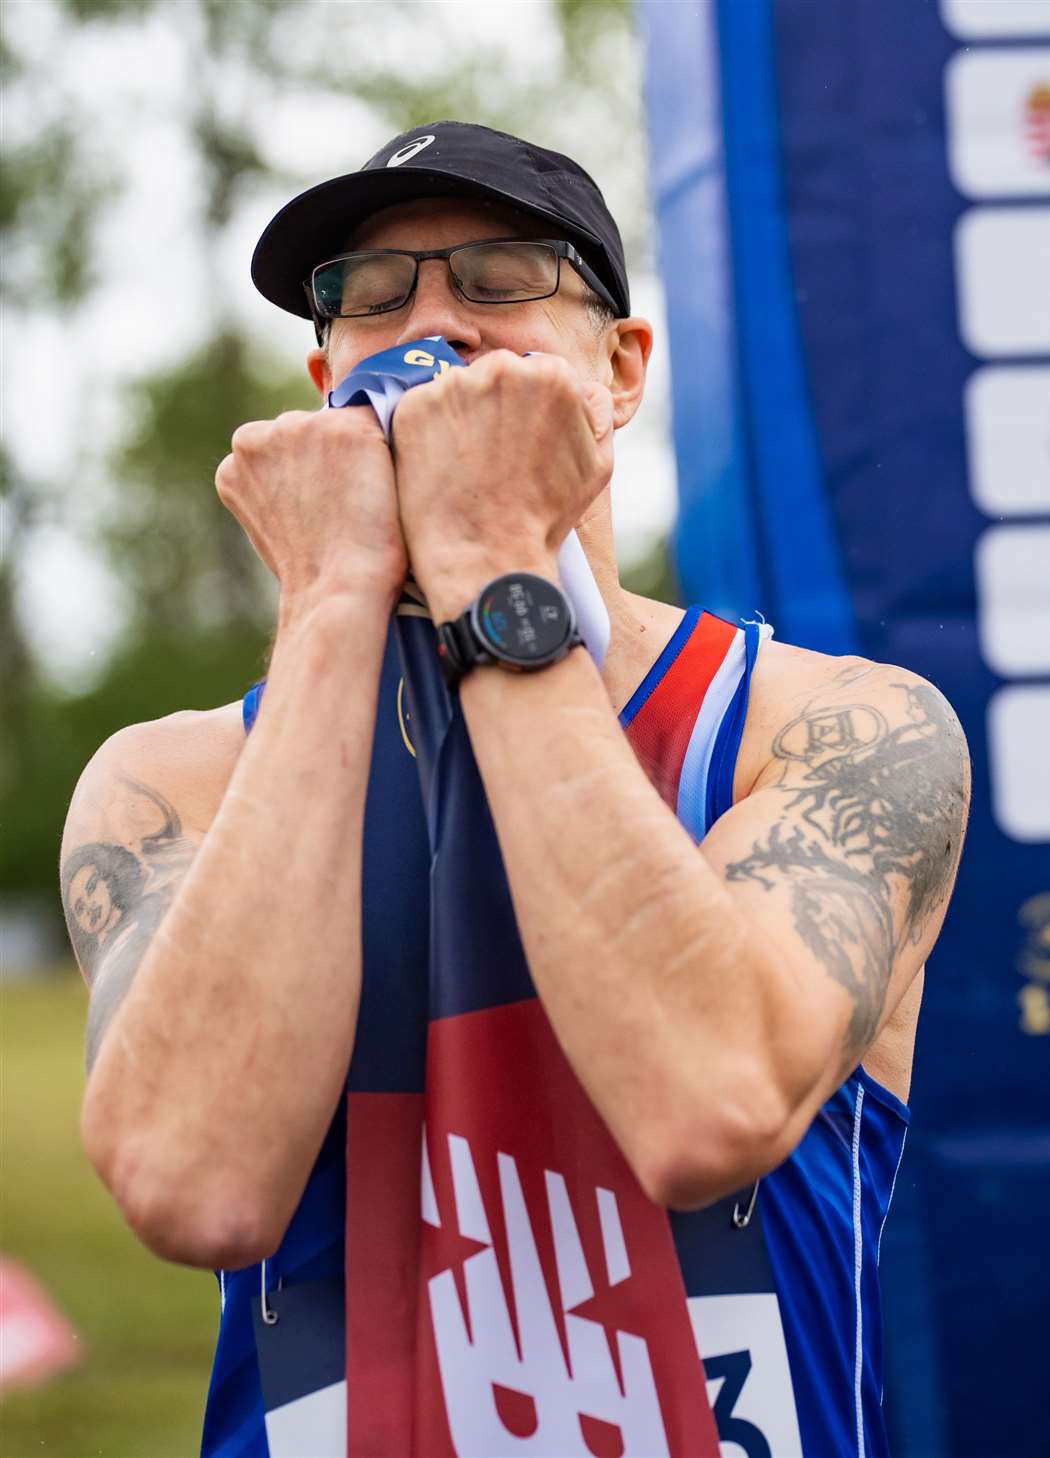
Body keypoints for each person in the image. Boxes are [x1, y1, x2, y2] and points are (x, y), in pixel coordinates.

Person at [61, 121, 969, 1457]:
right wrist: (329, 608)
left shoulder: (825, 724)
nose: (434, 326)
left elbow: (705, 1100)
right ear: (325, 384)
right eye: (372, 292)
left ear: (620, 370)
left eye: (500, 277)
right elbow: (195, 1184)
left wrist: (492, 555)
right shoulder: (177, 776)